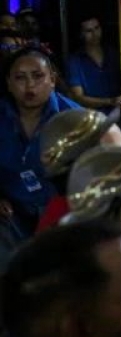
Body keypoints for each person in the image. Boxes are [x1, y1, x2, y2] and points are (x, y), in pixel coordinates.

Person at [0, 48, 80, 259]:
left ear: (52, 79)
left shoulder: (75, 118)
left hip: (62, 215)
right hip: (12, 215)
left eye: (38, 76)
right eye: (20, 78)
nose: (30, 85)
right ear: (8, 82)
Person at [65, 17, 121, 114]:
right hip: (92, 117)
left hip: (120, 113)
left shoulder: (114, 53)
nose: (95, 34)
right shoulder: (75, 61)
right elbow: (78, 98)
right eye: (89, 31)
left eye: (97, 28)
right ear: (81, 34)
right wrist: (110, 101)